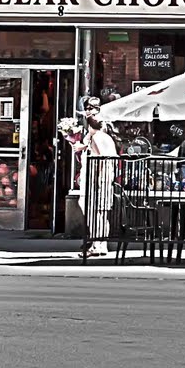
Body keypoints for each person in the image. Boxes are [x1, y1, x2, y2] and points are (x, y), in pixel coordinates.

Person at [77, 104, 119, 257]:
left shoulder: (96, 138)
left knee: (93, 212)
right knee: (101, 214)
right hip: (105, 180)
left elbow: (100, 159)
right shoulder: (106, 137)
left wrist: (95, 179)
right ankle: (101, 245)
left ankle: (96, 244)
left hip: (97, 181)